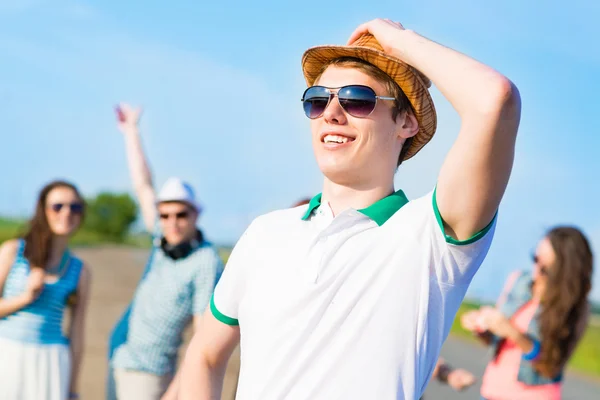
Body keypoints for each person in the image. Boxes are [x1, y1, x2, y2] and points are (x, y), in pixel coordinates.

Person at [179, 18, 521, 400]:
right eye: (317, 100)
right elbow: (205, 355)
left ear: (406, 122)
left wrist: (400, 43)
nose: (332, 112)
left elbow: (495, 100)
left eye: (357, 99)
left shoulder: (433, 236)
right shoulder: (265, 232)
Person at [106, 104, 224, 400]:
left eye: (181, 215)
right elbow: (143, 185)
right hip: (120, 358)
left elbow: (203, 337)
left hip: (152, 374)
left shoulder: (205, 262)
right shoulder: (161, 240)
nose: (172, 222)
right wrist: (131, 131)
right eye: (165, 215)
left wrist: (175, 391)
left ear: (195, 215)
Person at [461, 226, 593, 400]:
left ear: (566, 273)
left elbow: (550, 364)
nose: (536, 269)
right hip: (492, 391)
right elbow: (494, 341)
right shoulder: (518, 280)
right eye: (535, 258)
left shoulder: (576, 307)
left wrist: (512, 332)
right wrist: (481, 327)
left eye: (546, 268)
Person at [0, 180, 92, 400]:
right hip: (8, 354)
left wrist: (72, 389)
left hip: (51, 363)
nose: (67, 213)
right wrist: (25, 298)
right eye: (58, 206)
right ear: (43, 211)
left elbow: (77, 333)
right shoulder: (13, 252)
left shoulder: (79, 270)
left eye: (75, 207)